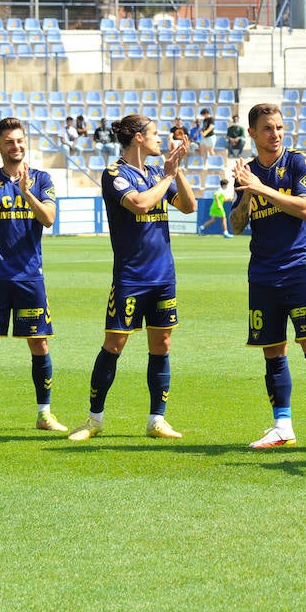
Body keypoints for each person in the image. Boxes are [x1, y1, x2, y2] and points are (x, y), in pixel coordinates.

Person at [66, 113, 196, 441]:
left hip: (163, 275)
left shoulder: (156, 172)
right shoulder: (114, 174)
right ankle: (94, 419)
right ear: (138, 137)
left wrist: (175, 173)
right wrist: (166, 177)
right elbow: (139, 204)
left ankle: (157, 420)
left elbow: (190, 206)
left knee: (162, 344)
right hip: (131, 277)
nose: (158, 139)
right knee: (114, 343)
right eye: (154, 133)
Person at [231, 103, 306, 451]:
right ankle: (282, 426)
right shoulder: (246, 172)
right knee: (272, 351)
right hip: (262, 273)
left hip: (298, 270)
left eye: (279, 127)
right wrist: (247, 190)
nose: (275, 134)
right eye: (268, 128)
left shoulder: (296, 162)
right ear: (252, 133)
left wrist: (260, 188)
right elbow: (236, 225)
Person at [0, 117, 67, 436]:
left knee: (39, 344)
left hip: (29, 276)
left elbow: (48, 218)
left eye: (20, 140)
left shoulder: (41, 178)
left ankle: (44, 413)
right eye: (9, 142)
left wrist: (27, 194)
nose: (16, 146)